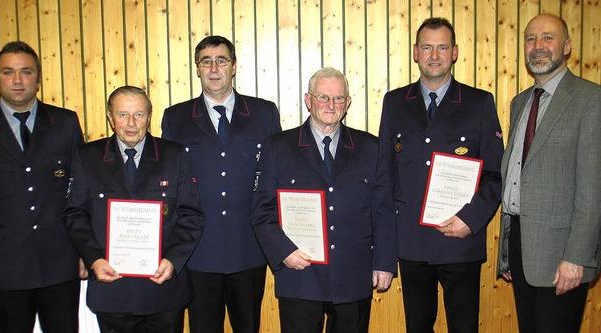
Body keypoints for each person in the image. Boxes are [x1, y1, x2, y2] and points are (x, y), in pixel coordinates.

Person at [378, 18, 504, 332]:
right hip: (412, 243)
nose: (435, 55)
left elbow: (495, 172)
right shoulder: (395, 103)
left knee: (464, 327)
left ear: (455, 52)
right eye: (427, 47)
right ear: (415, 53)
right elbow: (385, 173)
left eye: (443, 47)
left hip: (460, 241)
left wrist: (471, 219)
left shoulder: (478, 103)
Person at [250, 67, 396, 332]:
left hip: (353, 274)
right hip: (300, 274)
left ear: (348, 103)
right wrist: (284, 252)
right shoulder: (278, 147)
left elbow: (383, 210)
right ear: (308, 100)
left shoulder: (370, 148)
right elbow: (262, 211)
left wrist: (384, 263)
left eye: (339, 98)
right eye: (323, 97)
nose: (331, 105)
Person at [0, 41, 85, 333]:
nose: (17, 80)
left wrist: (85, 250)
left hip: (60, 262)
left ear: (38, 79)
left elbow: (80, 193)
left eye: (26, 72)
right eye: (8, 72)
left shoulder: (65, 123)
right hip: (4, 266)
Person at [161, 35, 281, 332]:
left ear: (234, 66)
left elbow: (276, 180)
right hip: (198, 250)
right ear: (197, 69)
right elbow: (168, 188)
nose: (214, 69)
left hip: (249, 247)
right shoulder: (176, 118)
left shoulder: (264, 113)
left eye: (221, 60)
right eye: (206, 62)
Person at [63, 86, 204, 333]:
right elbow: (75, 214)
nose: (131, 123)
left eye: (138, 115)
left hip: (163, 288)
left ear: (149, 117)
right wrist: (93, 258)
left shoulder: (174, 155)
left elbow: (191, 215)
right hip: (112, 288)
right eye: (122, 114)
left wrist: (173, 260)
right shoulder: (88, 157)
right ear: (110, 117)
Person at [496, 13, 601, 333]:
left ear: (567, 46)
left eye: (548, 38)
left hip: (562, 254)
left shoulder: (591, 100)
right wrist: (507, 253)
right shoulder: (520, 102)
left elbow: (593, 188)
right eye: (530, 38)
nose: (538, 46)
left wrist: (577, 257)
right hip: (521, 245)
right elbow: (518, 173)